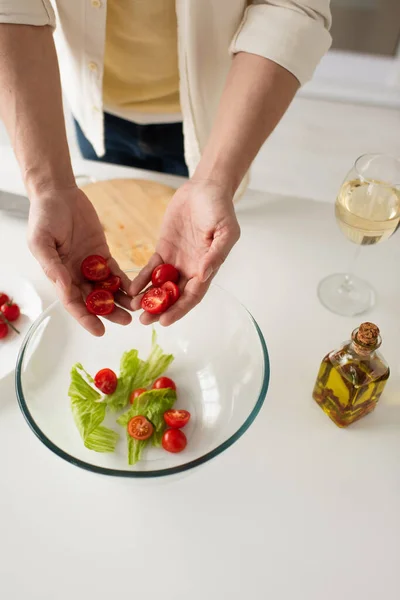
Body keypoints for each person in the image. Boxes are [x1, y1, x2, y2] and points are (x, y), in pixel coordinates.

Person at [0, 1, 331, 336]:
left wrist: (215, 181)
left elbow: (291, 8)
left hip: (224, 110)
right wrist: (48, 186)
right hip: (92, 104)